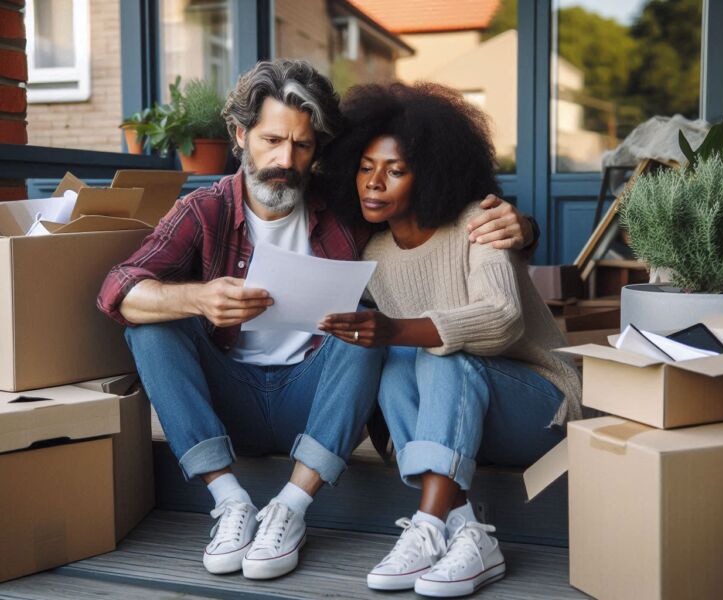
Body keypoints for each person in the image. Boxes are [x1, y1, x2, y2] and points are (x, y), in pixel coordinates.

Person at [97, 60, 536, 581]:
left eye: (302, 146)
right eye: (272, 140)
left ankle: (290, 508)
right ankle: (231, 502)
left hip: (316, 400)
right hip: (230, 398)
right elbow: (117, 288)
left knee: (368, 328)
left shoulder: (347, 207)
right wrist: (197, 299)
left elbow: (432, 210)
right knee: (151, 322)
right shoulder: (204, 210)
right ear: (239, 135)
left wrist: (522, 227)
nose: (285, 160)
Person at [318, 82, 582, 598]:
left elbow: (502, 319)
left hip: (543, 406)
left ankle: (428, 524)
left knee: (440, 355)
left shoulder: (477, 224)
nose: (373, 183)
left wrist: (396, 328)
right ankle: (468, 533)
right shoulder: (373, 252)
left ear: (432, 173)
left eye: (395, 170)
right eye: (365, 166)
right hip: (464, 417)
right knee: (395, 362)